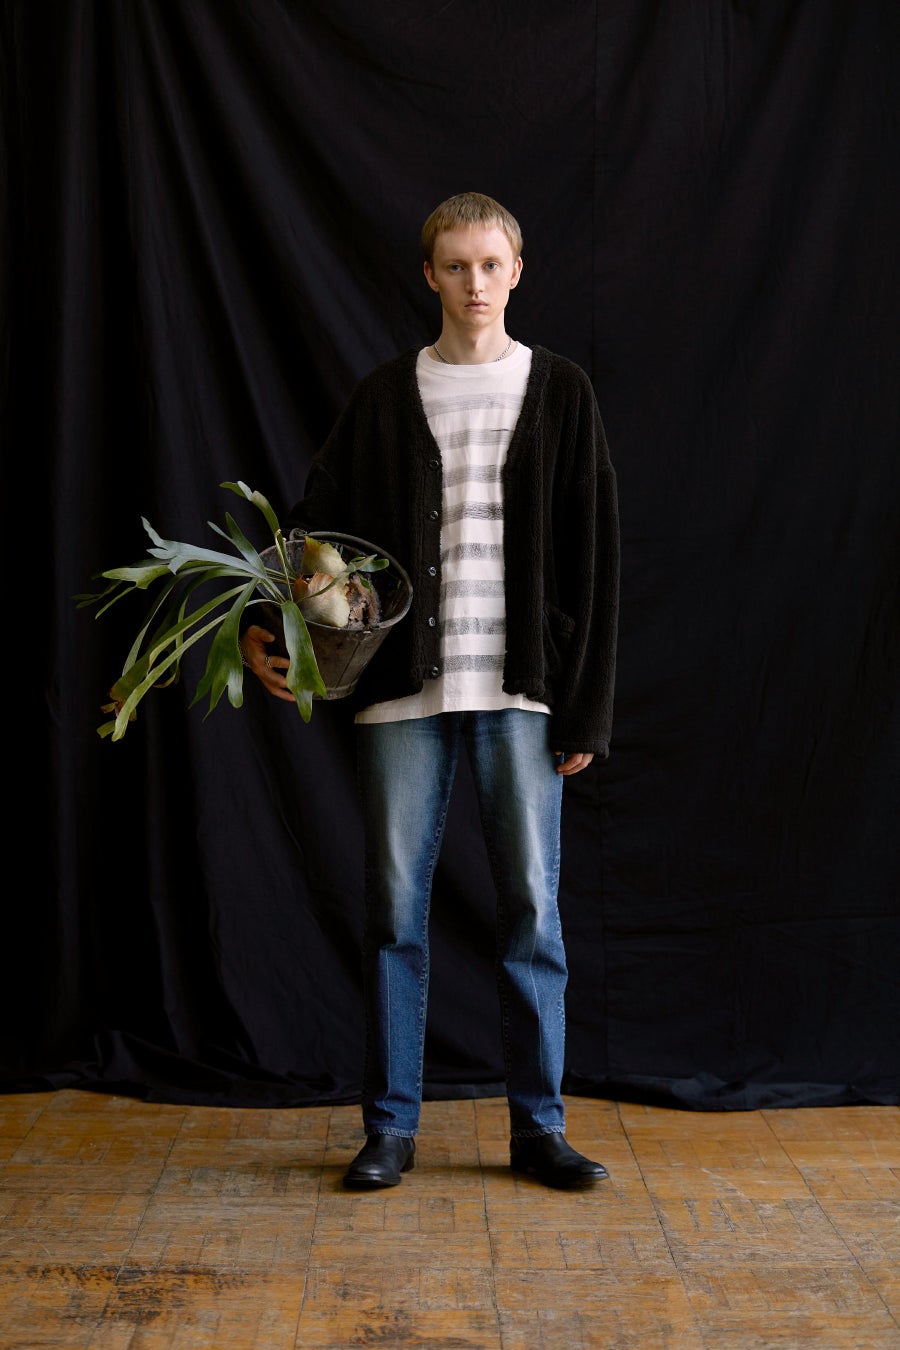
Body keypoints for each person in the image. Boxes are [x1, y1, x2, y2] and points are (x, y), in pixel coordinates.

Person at [240, 191, 620, 1191]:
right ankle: (390, 1129)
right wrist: (265, 629)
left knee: (531, 911)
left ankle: (539, 1129)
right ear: (429, 276)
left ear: (517, 271)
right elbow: (314, 534)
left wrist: (587, 703)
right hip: (405, 695)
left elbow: (595, 556)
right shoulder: (384, 396)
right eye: (456, 266)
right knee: (393, 913)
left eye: (491, 264)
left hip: (523, 692)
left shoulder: (561, 391)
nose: (475, 284)